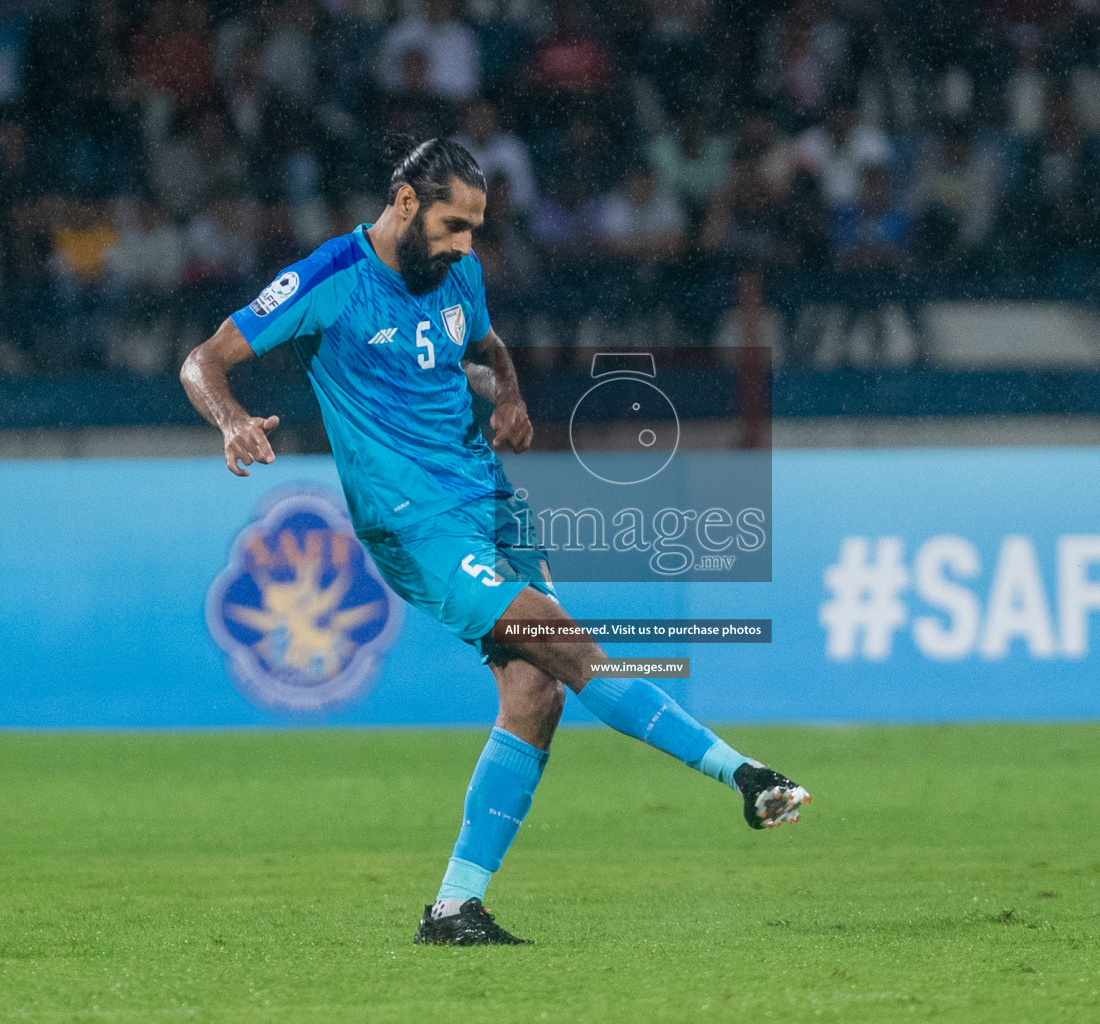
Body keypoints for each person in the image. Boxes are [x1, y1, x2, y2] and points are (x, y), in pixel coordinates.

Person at [179, 139, 810, 947]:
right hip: (415, 520)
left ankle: (453, 909)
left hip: (492, 507)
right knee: (565, 646)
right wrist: (232, 420)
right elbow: (204, 359)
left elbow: (484, 345)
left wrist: (507, 392)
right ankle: (747, 777)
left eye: (475, 228)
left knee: (537, 691)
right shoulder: (331, 277)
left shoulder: (457, 273)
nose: (465, 246)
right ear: (405, 201)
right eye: (452, 225)